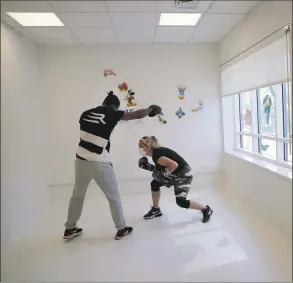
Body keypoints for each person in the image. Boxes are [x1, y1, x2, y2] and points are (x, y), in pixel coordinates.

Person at [63, 91, 162, 240]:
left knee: (77, 196)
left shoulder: (85, 113)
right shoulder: (111, 113)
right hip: (100, 162)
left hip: (80, 160)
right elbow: (138, 114)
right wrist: (152, 109)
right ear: (113, 106)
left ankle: (70, 228)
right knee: (113, 197)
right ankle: (121, 229)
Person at [138, 136, 213, 223]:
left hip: (184, 175)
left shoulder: (157, 155)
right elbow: (163, 169)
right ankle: (156, 210)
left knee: (181, 202)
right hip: (176, 173)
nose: (140, 148)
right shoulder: (157, 153)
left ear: (148, 145)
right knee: (155, 183)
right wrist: (149, 167)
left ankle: (206, 209)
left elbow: (174, 165)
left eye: (141, 146)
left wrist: (162, 175)